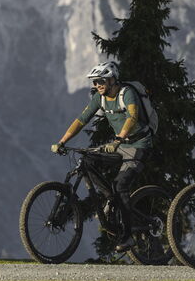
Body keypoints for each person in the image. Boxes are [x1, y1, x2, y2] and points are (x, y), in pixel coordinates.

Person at [51, 61, 153, 249]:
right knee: (88, 160)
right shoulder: (100, 98)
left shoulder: (126, 93)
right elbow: (81, 120)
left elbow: (132, 117)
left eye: (100, 81)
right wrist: (62, 142)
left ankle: (128, 237)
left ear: (112, 80)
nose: (97, 85)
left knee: (121, 186)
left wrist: (119, 139)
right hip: (119, 144)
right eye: (95, 82)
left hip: (139, 144)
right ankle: (110, 197)